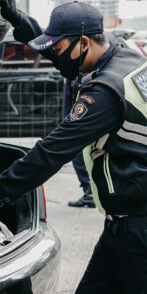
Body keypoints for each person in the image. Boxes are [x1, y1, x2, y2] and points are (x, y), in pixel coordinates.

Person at [0, 0, 147, 294]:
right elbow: (59, 45)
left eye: (59, 49)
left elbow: (52, 151)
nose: (54, 58)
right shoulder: (124, 54)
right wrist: (18, 20)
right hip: (124, 225)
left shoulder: (103, 92)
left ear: (84, 43)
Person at [62, 77, 95, 208]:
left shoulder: (80, 73)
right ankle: (89, 192)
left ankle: (90, 192)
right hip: (74, 120)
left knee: (79, 157)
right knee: (80, 157)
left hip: (78, 124)